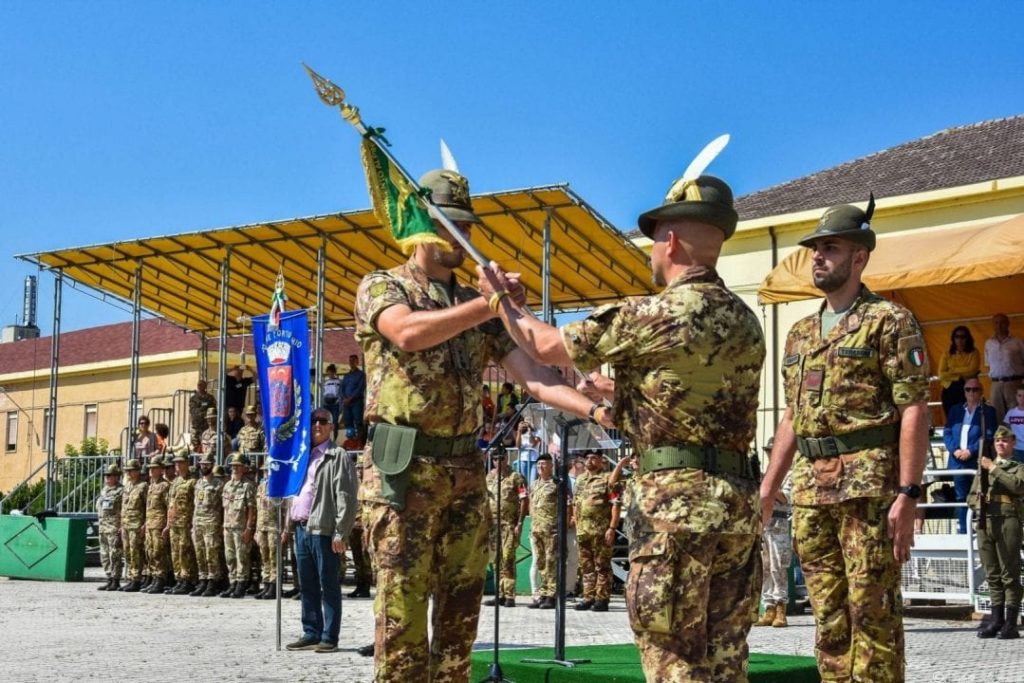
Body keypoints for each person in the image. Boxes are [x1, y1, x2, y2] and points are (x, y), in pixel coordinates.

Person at [482, 174, 764, 681]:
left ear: (671, 241)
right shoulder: (745, 319)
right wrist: (624, 396)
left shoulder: (653, 313)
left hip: (674, 507)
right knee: (725, 659)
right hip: (736, 505)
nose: (652, 251)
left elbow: (543, 346)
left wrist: (503, 300)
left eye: (655, 239)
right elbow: (702, 397)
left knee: (673, 657)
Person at [354, 168, 606, 682]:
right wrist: (487, 303)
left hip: (464, 468)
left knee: (461, 612)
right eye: (449, 224)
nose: (459, 236)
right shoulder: (384, 285)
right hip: (404, 468)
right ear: (422, 224)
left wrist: (594, 407)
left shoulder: (476, 304)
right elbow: (405, 333)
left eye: (466, 226)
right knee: (401, 616)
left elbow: (533, 377)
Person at [759, 198, 930, 682]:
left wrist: (908, 492)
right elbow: (792, 414)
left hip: (868, 489)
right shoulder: (799, 333)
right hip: (812, 491)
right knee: (828, 616)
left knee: (871, 612)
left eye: (830, 247)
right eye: (815, 248)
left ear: (860, 257)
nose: (817, 256)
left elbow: (913, 406)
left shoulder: (889, 321)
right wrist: (771, 485)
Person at [283, 407, 359, 654]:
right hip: (301, 529)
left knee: (329, 584)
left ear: (331, 427)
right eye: (313, 420)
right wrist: (287, 525)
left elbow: (346, 497)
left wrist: (341, 532)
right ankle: (311, 632)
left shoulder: (338, 457)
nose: (317, 425)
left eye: (323, 421)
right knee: (307, 585)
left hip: (324, 529)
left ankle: (329, 636)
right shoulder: (303, 456)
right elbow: (294, 493)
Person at [971, 426, 1024, 639]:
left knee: (1009, 572)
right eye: (997, 441)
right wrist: (977, 503)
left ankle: (1011, 623)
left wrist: (993, 468)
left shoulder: (1017, 466)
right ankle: (996, 620)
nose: (1000, 444)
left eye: (1005, 440)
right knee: (992, 573)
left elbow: (1017, 486)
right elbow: (970, 495)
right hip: (986, 521)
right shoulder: (981, 470)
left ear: (1013, 443)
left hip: (1007, 520)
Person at [944, 377, 997, 533]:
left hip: (977, 460)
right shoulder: (955, 409)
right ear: (964, 392)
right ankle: (964, 531)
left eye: (975, 389)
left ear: (981, 391)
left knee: (981, 496)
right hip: (958, 460)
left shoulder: (988, 411)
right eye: (968, 389)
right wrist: (955, 450)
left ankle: (983, 531)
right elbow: (947, 432)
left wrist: (970, 451)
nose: (971, 393)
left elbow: (989, 434)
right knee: (961, 497)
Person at [571, 450, 620, 612]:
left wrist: (612, 528)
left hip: (600, 530)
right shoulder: (579, 479)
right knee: (586, 567)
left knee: (602, 566)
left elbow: (615, 504)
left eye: (594, 458)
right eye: (587, 458)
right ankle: (588, 597)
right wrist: (576, 523)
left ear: (601, 461)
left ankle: (602, 598)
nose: (590, 460)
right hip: (583, 531)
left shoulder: (607, 478)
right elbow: (575, 503)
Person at [754, 438, 793, 628]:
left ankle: (780, 608)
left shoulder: (789, 474)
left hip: (779, 523)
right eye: (769, 451)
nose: (771, 455)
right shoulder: (767, 472)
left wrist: (768, 485)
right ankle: (768, 606)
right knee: (765, 567)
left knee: (779, 566)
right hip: (764, 523)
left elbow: (786, 498)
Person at [484, 449, 528, 608]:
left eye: (501, 458)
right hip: (493, 525)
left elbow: (524, 499)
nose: (498, 461)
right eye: (495, 458)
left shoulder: (515, 477)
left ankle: (509, 595)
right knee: (496, 560)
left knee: (508, 558)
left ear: (507, 458)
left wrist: (520, 523)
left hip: (509, 524)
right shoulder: (489, 476)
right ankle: (499, 594)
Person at [220, 452, 257, 598]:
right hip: (228, 526)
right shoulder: (227, 485)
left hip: (241, 527)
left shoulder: (248, 486)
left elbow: (251, 509)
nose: (235, 469)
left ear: (243, 468)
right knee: (229, 556)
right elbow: (225, 508)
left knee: (241, 556)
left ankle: (241, 584)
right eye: (233, 466)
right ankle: (233, 582)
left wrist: (249, 528)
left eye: (238, 466)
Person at [191, 453, 227, 597]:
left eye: (206, 464)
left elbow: (223, 507)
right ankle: (203, 579)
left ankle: (213, 581)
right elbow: (195, 505)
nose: (203, 466)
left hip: (212, 522)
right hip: (198, 522)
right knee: (200, 553)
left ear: (212, 465)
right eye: (202, 464)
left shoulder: (219, 484)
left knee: (211, 553)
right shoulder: (198, 483)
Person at [527, 453, 558, 610]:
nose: (541, 467)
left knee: (551, 562)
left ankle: (552, 595)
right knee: (540, 562)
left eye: (544, 464)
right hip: (537, 528)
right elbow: (531, 503)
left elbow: (567, 506)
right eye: (539, 464)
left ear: (551, 466)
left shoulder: (557, 484)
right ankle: (544, 592)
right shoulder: (534, 484)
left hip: (551, 529)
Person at [166, 453, 198, 594]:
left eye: (181, 463)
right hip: (174, 523)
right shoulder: (175, 482)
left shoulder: (193, 481)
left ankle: (187, 579)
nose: (177, 466)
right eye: (176, 463)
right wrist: (168, 523)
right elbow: (170, 504)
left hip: (186, 522)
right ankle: (178, 579)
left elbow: (196, 504)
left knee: (185, 551)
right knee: (175, 552)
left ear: (187, 463)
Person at [985, 314, 1024, 423]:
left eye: (1002, 322)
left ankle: (1018, 439)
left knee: (1016, 414)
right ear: (993, 325)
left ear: (1008, 324)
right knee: (997, 415)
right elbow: (988, 364)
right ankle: (1002, 439)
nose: (999, 325)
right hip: (996, 384)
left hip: (1013, 383)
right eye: (996, 323)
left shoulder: (1018, 342)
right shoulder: (988, 343)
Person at [254, 459, 284, 600]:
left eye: (269, 470)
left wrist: (285, 529)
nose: (266, 473)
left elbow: (284, 510)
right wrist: (256, 530)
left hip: (274, 527)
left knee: (274, 557)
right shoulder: (261, 487)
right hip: (262, 526)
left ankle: (274, 586)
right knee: (264, 556)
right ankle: (266, 583)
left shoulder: (279, 486)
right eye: (265, 471)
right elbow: (258, 509)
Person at [937, 326, 980, 418]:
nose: (960, 340)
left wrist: (952, 370)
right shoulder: (947, 353)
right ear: (953, 338)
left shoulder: (974, 352)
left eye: (963, 337)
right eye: (957, 337)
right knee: (951, 418)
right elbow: (941, 374)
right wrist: (958, 376)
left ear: (967, 338)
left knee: (968, 417)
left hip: (968, 389)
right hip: (949, 389)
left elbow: (972, 371)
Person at [143, 456, 172, 594]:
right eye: (150, 468)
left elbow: (169, 507)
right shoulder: (151, 485)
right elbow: (148, 508)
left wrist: (168, 525)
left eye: (154, 468)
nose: (151, 470)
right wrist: (145, 524)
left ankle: (160, 579)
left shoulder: (165, 486)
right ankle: (154, 577)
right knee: (150, 552)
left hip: (159, 524)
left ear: (161, 470)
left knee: (159, 552)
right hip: (150, 524)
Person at [119, 459, 148, 592]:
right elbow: (123, 507)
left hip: (137, 524)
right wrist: (121, 524)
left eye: (131, 471)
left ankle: (137, 578)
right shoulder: (127, 486)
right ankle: (131, 577)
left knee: (136, 551)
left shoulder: (143, 486)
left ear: (137, 471)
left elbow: (148, 507)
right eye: (127, 471)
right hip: (126, 524)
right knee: (127, 551)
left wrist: (145, 524)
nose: (129, 473)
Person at [95, 464, 124, 592]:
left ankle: (116, 580)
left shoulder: (121, 491)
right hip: (103, 527)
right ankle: (109, 578)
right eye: (106, 475)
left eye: (109, 475)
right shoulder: (104, 490)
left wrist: (121, 526)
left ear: (116, 477)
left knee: (115, 555)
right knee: (104, 554)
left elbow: (125, 510)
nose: (106, 478)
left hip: (114, 527)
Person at [340, 354, 366, 440]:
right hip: (346, 403)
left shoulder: (361, 374)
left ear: (357, 362)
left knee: (358, 422)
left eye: (353, 361)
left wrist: (350, 398)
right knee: (348, 422)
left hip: (356, 402)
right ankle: (350, 441)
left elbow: (360, 388)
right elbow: (341, 388)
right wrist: (344, 398)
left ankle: (360, 442)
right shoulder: (346, 376)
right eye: (350, 361)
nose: (351, 362)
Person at [1003, 388, 1024, 462]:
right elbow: (1007, 430)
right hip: (1016, 449)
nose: (1022, 398)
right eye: (1020, 395)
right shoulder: (1011, 413)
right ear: (1016, 397)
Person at [322, 363, 343, 433]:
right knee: (326, 420)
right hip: (327, 403)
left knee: (334, 421)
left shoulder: (338, 382)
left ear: (334, 373)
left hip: (335, 403)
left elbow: (340, 392)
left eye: (331, 373)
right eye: (328, 373)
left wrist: (339, 401)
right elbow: (324, 392)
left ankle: (335, 435)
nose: (330, 375)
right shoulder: (326, 382)